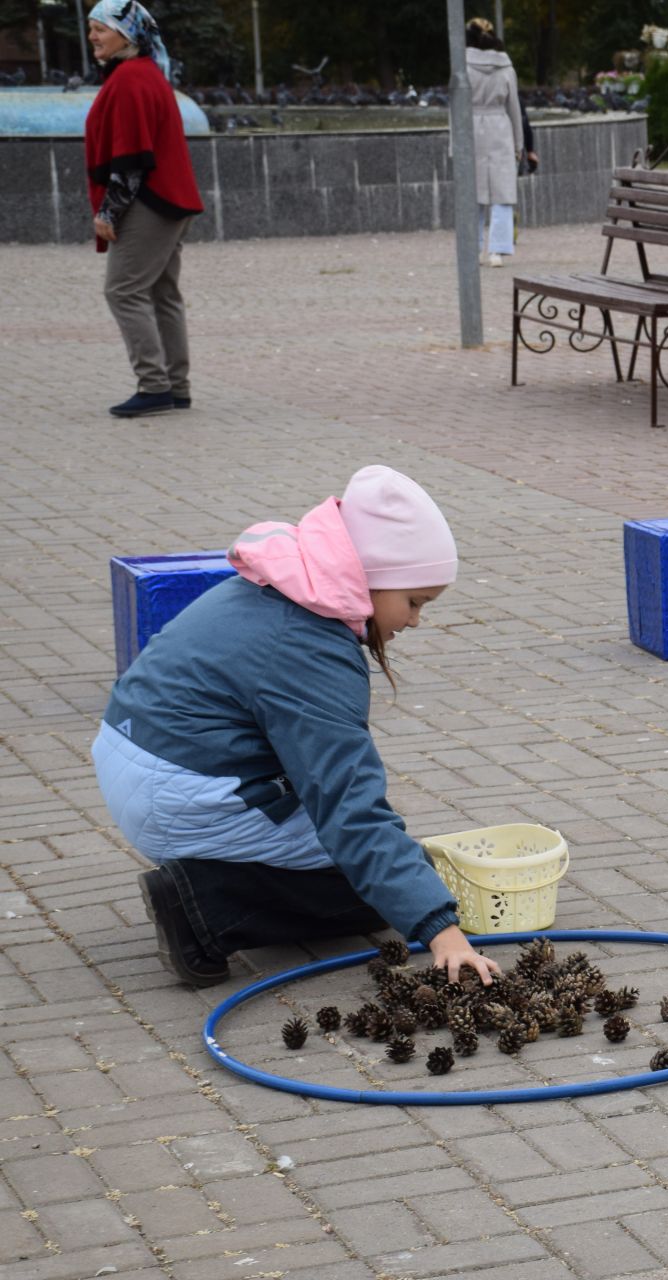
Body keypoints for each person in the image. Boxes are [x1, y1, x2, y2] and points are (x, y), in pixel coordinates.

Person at [93, 466, 502, 989]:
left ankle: (216, 881)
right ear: (371, 577)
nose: (415, 620)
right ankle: (203, 907)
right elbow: (347, 806)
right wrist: (443, 932)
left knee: (391, 872)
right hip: (178, 792)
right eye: (414, 601)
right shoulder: (308, 645)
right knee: (375, 886)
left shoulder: (283, 586)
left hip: (136, 756)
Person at [84, 1, 203, 419]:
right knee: (161, 293)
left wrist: (108, 213)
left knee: (123, 290)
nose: (93, 36)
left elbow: (132, 158)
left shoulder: (132, 78)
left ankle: (154, 385)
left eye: (101, 28)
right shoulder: (142, 74)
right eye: (91, 28)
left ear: (127, 34)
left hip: (149, 203)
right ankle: (175, 387)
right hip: (169, 199)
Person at [464, 17, 524, 268]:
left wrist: (453, 144)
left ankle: (473, 248)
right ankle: (497, 251)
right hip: (500, 128)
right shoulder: (506, 68)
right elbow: (514, 109)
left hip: (471, 129)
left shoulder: (462, 67)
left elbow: (456, 107)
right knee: (502, 194)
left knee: (472, 194)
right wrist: (519, 145)